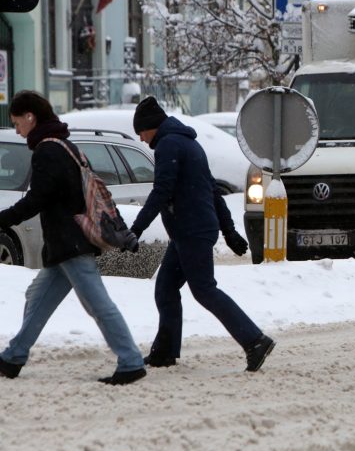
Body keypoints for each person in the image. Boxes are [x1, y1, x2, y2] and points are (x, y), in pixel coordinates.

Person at [0, 91, 146, 385]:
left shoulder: (47, 150)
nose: (17, 129)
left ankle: (130, 361)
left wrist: (3, 219)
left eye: (17, 123)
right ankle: (13, 357)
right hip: (66, 243)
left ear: (31, 117)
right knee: (37, 297)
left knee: (98, 305)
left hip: (71, 242)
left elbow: (38, 198)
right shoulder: (63, 145)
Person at [128, 97, 275, 372]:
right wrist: (229, 232)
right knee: (166, 287)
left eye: (141, 131)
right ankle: (164, 352)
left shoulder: (169, 145)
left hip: (191, 230)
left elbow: (161, 191)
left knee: (204, 289)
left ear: (151, 126)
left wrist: (136, 229)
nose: (140, 137)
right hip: (189, 230)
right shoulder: (189, 143)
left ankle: (255, 340)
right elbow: (213, 191)